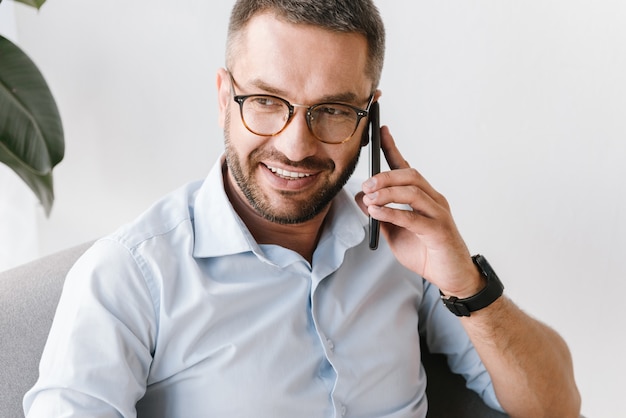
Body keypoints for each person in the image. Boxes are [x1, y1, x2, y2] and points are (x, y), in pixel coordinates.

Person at [24, 0, 581, 417]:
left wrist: (465, 280)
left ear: (367, 118)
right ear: (224, 97)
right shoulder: (130, 276)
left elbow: (558, 406)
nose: (296, 145)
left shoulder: (404, 250)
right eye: (267, 102)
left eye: (333, 110)